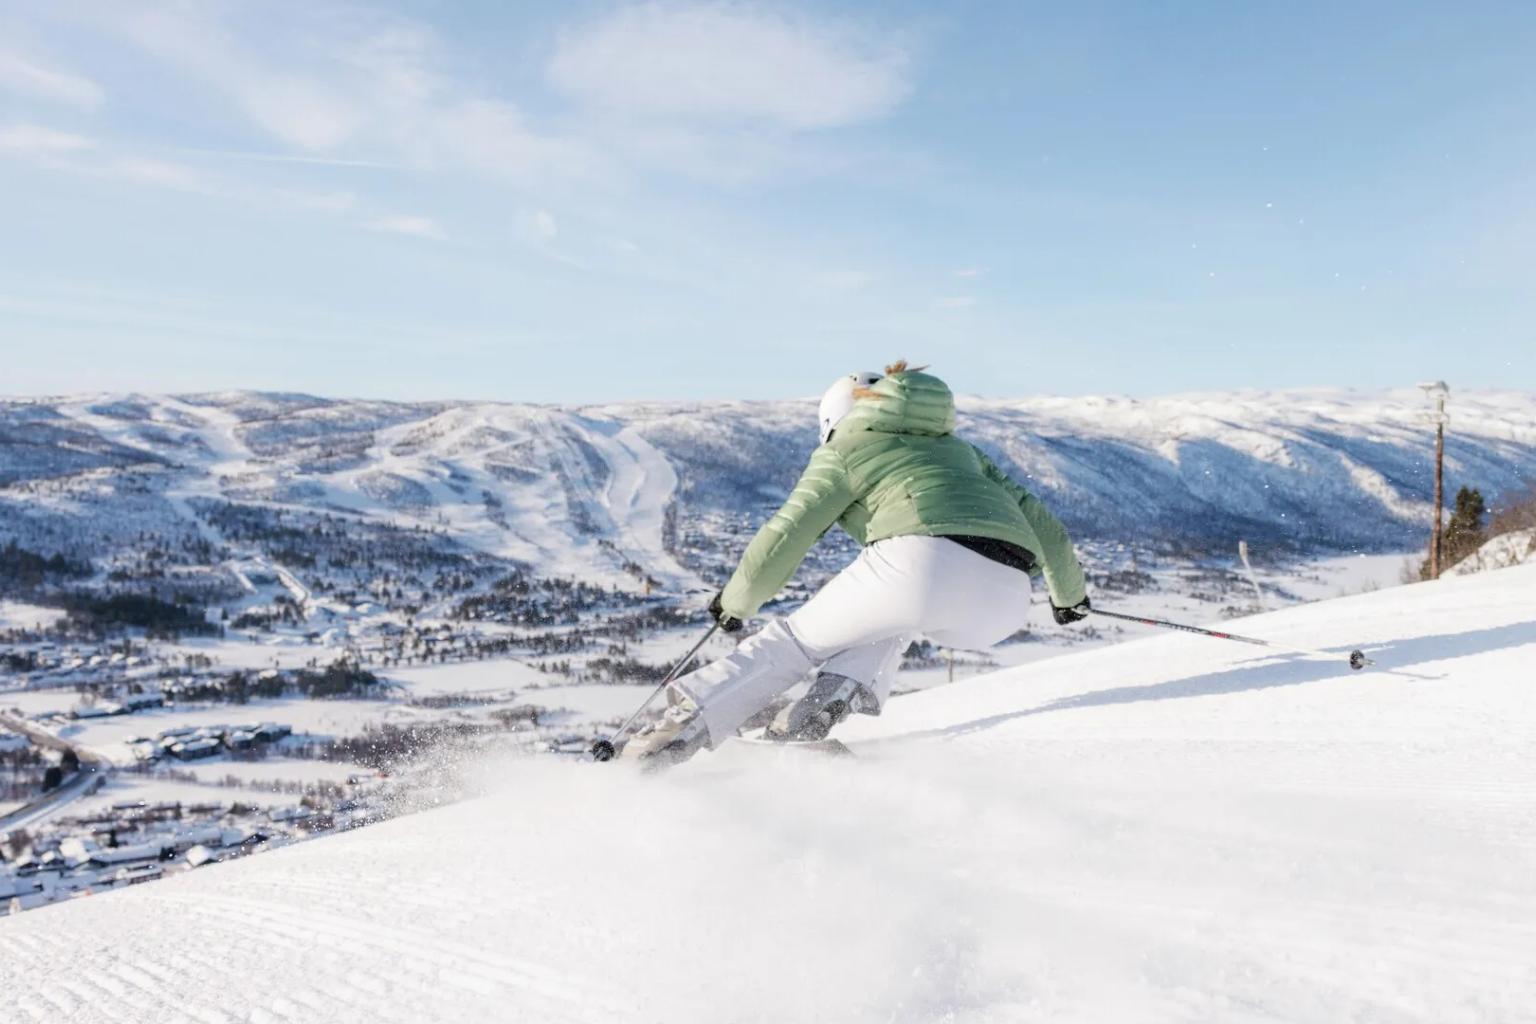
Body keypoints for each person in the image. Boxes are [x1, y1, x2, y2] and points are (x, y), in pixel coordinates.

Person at [623, 360, 1090, 766]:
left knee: (791, 643)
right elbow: (1045, 526)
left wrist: (737, 602)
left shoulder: (846, 448)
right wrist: (1069, 598)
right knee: (889, 623)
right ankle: (813, 714)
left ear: (834, 420)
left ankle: (673, 733)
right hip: (1006, 598)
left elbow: (787, 533)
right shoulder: (964, 453)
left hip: (920, 564)